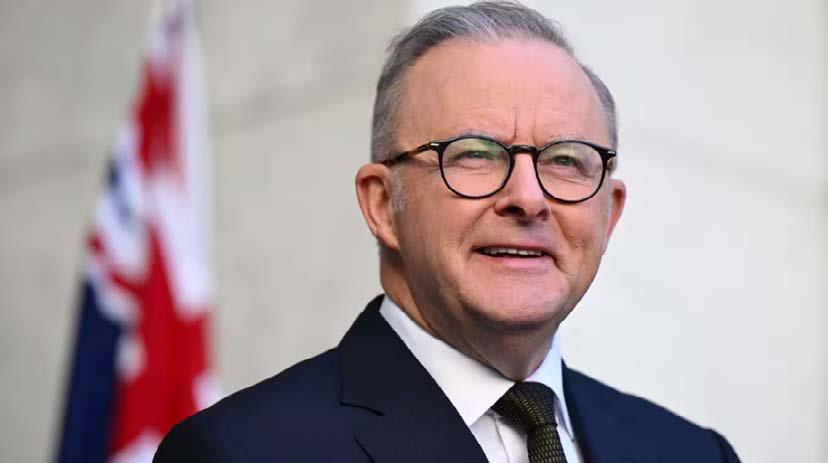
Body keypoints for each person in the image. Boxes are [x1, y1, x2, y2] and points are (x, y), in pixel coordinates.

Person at [155, 2, 740, 462]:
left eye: (565, 160)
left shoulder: (691, 453)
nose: (528, 198)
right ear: (383, 205)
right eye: (476, 154)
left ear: (608, 215)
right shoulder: (241, 452)